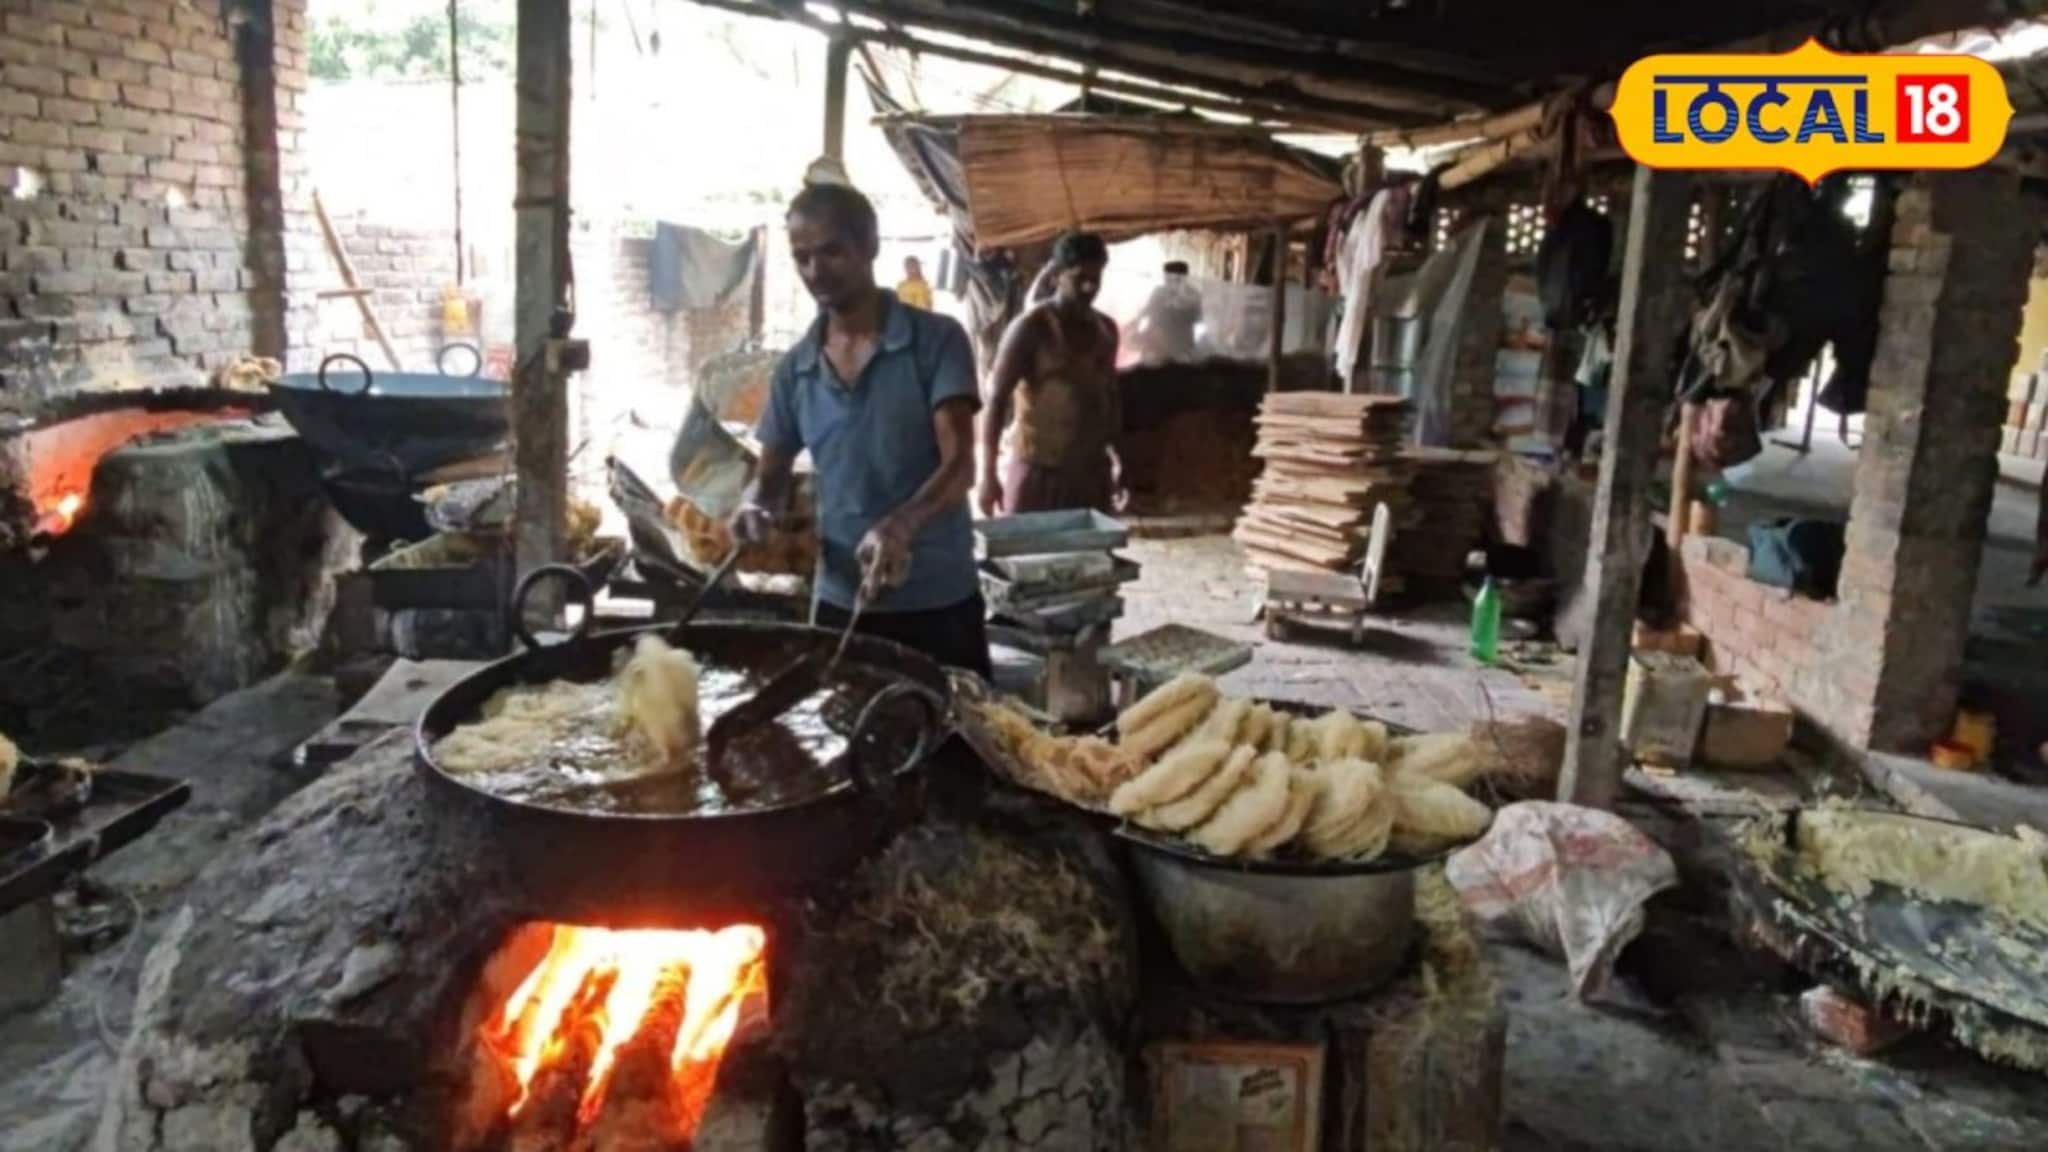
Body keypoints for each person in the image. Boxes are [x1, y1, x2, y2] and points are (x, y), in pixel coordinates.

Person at [730, 183, 990, 676]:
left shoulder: (935, 341)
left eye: (831, 251)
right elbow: (771, 477)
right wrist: (754, 506)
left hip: (937, 601)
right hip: (841, 605)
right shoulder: (796, 370)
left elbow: (960, 467)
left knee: (956, 742)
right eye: (802, 257)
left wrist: (902, 524)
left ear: (870, 246)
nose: (816, 271)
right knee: (841, 742)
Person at [978, 232, 1125, 517]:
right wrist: (988, 475)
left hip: (1091, 475)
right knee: (1029, 558)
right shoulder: (1031, 329)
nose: (1089, 287)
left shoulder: (1106, 331)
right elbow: (996, 400)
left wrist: (1122, 461)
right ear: (1056, 275)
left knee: (1090, 560)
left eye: (1096, 279)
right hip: (1038, 474)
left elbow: (1111, 397)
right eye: (1080, 278)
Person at [1129, 260, 1203, 365]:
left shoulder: (1193, 294)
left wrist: (1182, 304)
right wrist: (1136, 321)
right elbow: (1148, 309)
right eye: (1166, 277)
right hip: (1155, 341)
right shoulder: (1159, 291)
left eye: (1171, 278)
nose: (1167, 280)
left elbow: (1198, 318)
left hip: (1180, 343)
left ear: (1183, 277)